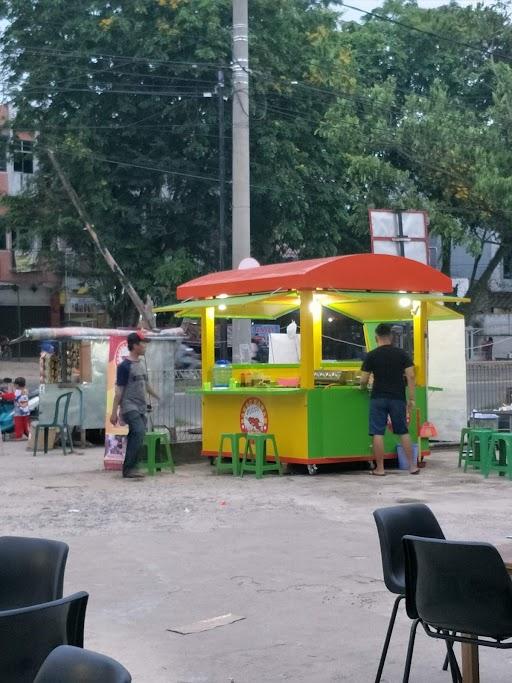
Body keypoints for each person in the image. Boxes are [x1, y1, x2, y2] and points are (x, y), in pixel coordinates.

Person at [360, 323, 419, 476]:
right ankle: (412, 466)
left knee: (377, 432)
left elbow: (363, 379)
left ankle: (380, 468)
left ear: (376, 337)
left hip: (378, 397)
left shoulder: (371, 355)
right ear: (391, 337)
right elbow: (411, 375)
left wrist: (362, 387)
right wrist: (411, 398)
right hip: (397, 398)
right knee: (403, 431)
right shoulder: (401, 354)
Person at [109, 331, 160, 479]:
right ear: (135, 345)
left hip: (140, 406)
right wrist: (114, 412)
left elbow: (146, 385)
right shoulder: (124, 366)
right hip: (129, 406)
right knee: (138, 431)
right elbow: (119, 392)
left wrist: (158, 396)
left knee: (136, 436)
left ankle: (130, 467)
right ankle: (129, 468)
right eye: (143, 344)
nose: (145, 347)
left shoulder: (141, 364)